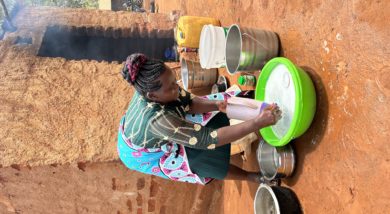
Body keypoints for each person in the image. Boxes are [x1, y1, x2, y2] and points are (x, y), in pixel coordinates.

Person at [117, 53, 281, 185]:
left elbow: (190, 103)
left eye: (175, 81)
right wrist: (257, 122)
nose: (177, 87)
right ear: (152, 96)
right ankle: (250, 177)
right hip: (141, 153)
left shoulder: (157, 87)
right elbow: (209, 139)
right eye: (172, 87)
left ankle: (249, 109)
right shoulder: (159, 120)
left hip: (153, 124)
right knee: (199, 160)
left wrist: (217, 105)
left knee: (212, 112)